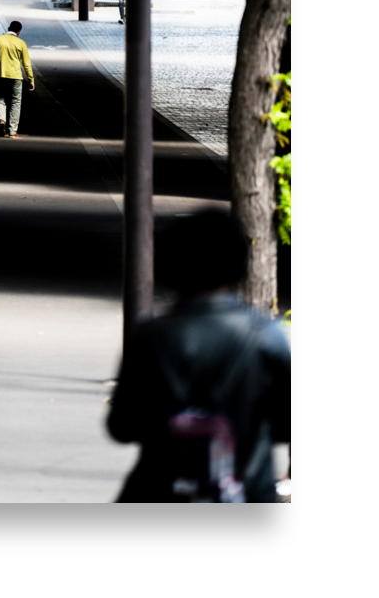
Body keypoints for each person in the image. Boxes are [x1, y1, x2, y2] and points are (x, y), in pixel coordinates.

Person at [107, 211, 291, 504]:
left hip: (161, 490)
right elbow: (284, 425)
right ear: (239, 266)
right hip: (247, 489)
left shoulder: (152, 338)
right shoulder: (267, 336)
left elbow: (122, 426)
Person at [0, 20, 34, 137]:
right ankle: (13, 131)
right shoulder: (21, 43)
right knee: (16, 102)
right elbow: (26, 64)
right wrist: (31, 80)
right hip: (16, 77)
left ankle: (2, 120)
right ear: (19, 32)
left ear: (8, 28)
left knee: (0, 99)